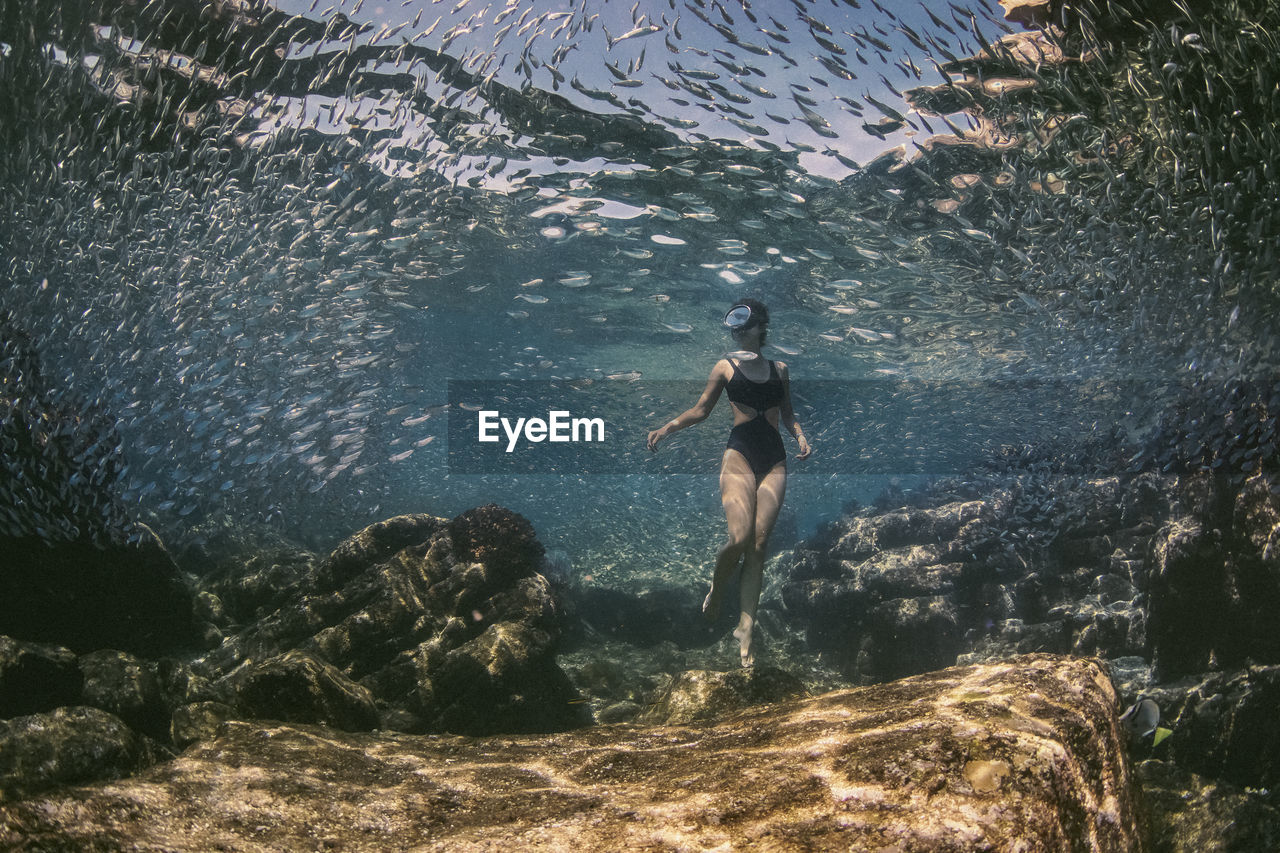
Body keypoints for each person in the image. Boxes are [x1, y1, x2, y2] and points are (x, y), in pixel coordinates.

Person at [647, 299, 811, 667]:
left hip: (775, 459)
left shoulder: (780, 369)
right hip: (738, 454)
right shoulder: (725, 365)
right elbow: (701, 410)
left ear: (760, 326)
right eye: (734, 324)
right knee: (738, 539)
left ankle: (745, 627)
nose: (738, 329)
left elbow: (788, 416)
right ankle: (718, 589)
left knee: (759, 544)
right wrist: (667, 427)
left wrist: (800, 436)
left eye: (744, 323)